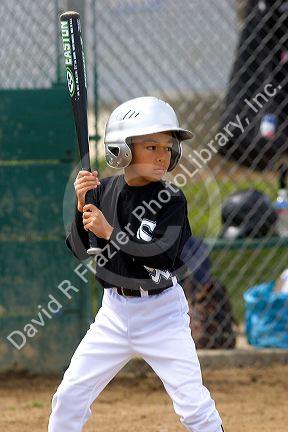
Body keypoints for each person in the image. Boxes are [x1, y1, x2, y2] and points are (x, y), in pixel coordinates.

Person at [48, 96, 224, 432]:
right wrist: (80, 204)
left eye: (167, 147)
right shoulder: (104, 193)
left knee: (193, 406)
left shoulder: (171, 199)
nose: (163, 155)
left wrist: (110, 231)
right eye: (151, 146)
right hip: (114, 314)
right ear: (122, 149)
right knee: (69, 397)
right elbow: (81, 250)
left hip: (162, 315)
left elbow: (161, 255)